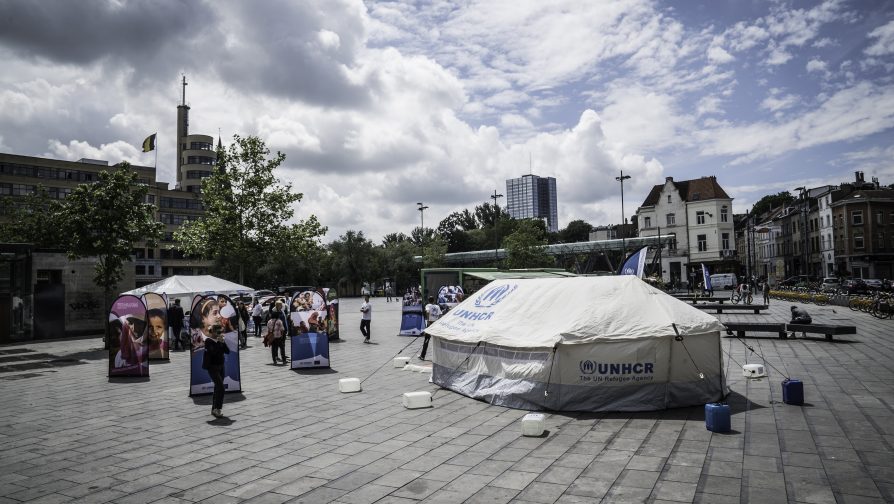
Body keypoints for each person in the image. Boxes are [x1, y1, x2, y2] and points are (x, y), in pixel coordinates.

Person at [202, 324, 230, 418]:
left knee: (217, 388)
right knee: (221, 388)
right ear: (212, 332)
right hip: (212, 367)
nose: (219, 334)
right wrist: (219, 343)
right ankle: (217, 409)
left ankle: (214, 409)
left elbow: (227, 351)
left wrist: (223, 342)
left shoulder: (220, 340)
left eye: (220, 332)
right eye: (217, 332)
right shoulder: (208, 341)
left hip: (221, 366)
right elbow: (213, 352)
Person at [419, 296, 442, 361]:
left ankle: (422, 356)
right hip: (436, 324)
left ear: (429, 301)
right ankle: (439, 357)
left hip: (430, 324)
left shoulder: (428, 305)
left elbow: (427, 312)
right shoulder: (437, 306)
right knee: (437, 340)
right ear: (434, 300)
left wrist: (428, 321)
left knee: (426, 340)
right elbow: (440, 314)